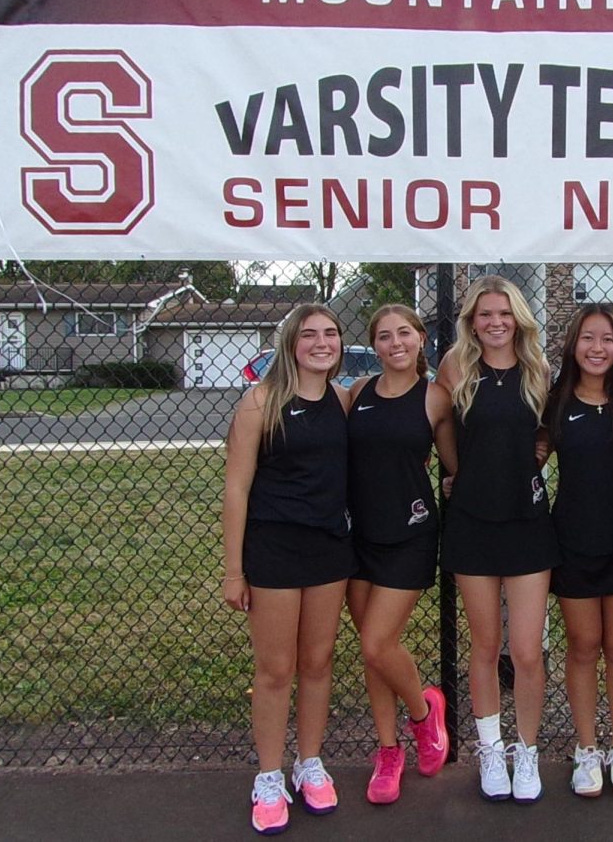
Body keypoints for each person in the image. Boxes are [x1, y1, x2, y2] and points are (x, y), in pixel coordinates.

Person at [221, 304, 356, 835]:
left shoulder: (345, 401)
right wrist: (234, 571)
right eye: (309, 335)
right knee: (277, 671)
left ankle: (310, 763)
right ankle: (270, 776)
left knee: (318, 663)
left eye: (330, 333)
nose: (322, 343)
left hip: (329, 550)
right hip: (274, 551)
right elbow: (236, 489)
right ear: (290, 344)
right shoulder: (259, 403)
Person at [436, 275, 559, 803]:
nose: (495, 322)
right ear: (472, 320)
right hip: (472, 523)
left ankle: (526, 752)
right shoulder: (456, 366)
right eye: (485, 314)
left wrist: (536, 457)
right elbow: (443, 430)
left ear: (518, 319)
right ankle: (491, 748)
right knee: (484, 647)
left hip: (528, 524)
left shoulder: (539, 369)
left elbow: (548, 429)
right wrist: (458, 472)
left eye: (504, 313)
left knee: (527, 651)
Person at [346, 304, 459, 805]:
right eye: (385, 336)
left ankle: (424, 715)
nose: (396, 343)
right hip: (357, 535)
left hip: (410, 532)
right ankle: (388, 752)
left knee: (376, 643)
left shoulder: (435, 398)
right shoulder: (357, 394)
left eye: (405, 334)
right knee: (375, 655)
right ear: (374, 346)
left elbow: (455, 469)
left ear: (420, 340)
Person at [540, 304, 613, 799]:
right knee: (583, 646)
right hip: (573, 543)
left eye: (607, 339)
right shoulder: (555, 402)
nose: (597, 348)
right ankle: (588, 749)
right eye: (588, 338)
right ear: (573, 345)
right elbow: (533, 455)